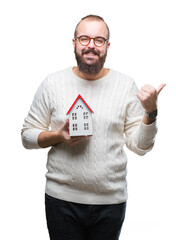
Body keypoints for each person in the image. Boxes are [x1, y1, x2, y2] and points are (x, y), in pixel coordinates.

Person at [21, 15, 165, 240]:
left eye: (99, 40)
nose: (91, 45)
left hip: (110, 203)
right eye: (84, 38)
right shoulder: (52, 83)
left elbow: (140, 147)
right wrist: (58, 136)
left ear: (107, 46)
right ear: (74, 43)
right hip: (61, 202)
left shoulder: (125, 85)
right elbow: (27, 136)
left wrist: (150, 112)